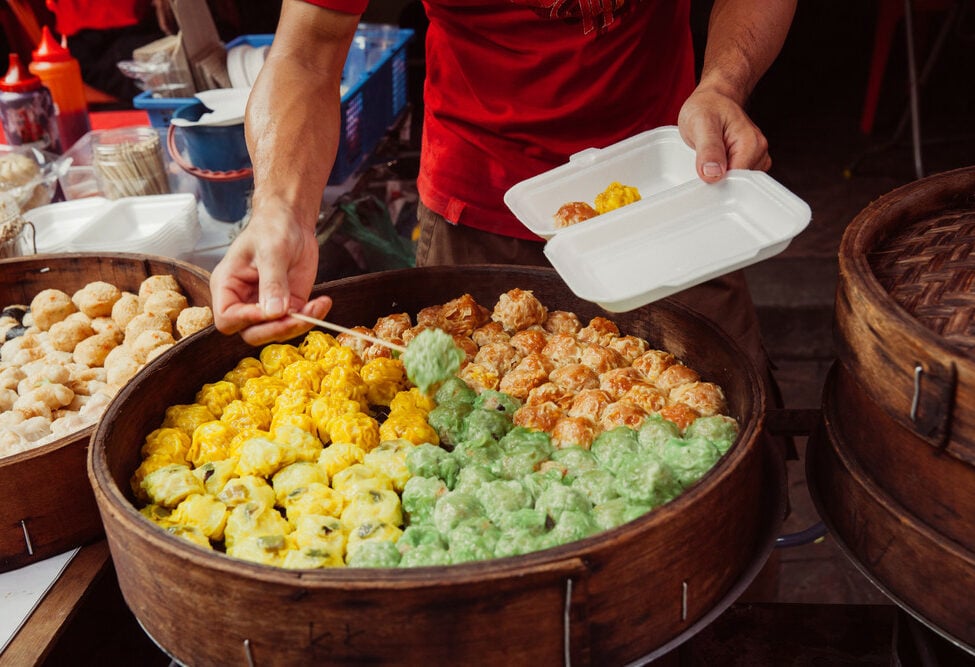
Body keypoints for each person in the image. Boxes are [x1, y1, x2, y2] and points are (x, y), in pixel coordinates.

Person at [210, 0, 797, 393]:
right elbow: (308, 52)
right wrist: (279, 211)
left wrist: (724, 84)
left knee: (729, 430)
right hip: (479, 206)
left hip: (672, 196)